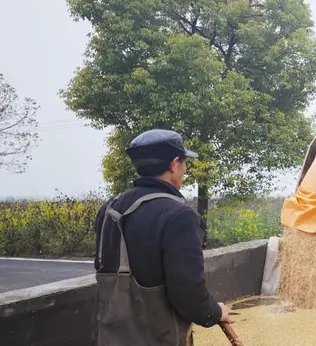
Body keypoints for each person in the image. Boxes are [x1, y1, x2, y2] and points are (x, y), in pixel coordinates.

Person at [92, 129, 230, 346]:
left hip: (110, 339)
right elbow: (188, 293)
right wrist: (215, 312)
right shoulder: (179, 215)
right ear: (174, 164)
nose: (185, 170)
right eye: (185, 163)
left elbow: (102, 267)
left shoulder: (110, 209)